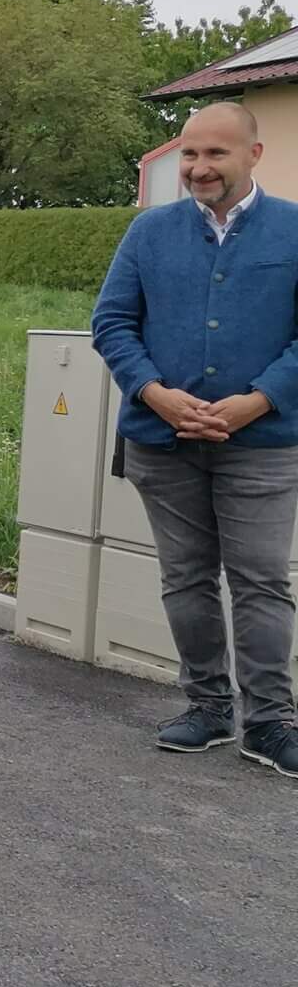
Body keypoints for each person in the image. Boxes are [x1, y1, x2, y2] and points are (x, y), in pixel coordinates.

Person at [92, 97, 298, 777]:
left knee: (261, 581)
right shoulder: (149, 232)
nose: (199, 167)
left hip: (263, 444)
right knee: (186, 578)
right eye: (189, 153)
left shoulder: (294, 229)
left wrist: (255, 402)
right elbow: (112, 323)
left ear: (253, 155)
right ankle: (207, 706)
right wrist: (155, 393)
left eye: (216, 153)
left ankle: (270, 722)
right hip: (163, 441)